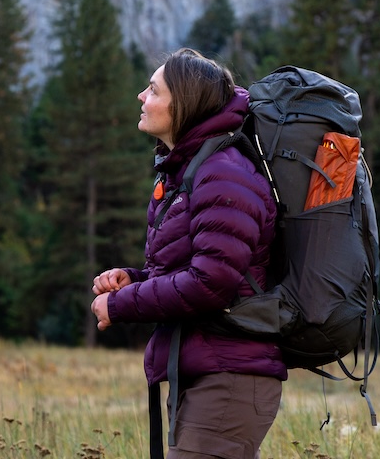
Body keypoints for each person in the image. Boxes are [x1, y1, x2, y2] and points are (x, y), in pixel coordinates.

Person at [90, 48, 285, 459]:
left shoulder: (223, 173)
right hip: (206, 373)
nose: (141, 97)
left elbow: (210, 284)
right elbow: (196, 267)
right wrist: (135, 278)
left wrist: (121, 304)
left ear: (184, 104)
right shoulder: (191, 170)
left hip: (228, 379)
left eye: (153, 90)